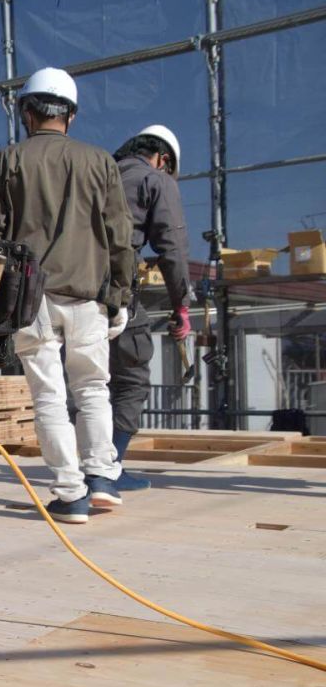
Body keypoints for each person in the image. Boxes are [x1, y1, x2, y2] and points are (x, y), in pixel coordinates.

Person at [0, 67, 133, 525]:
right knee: (93, 388)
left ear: (27, 111)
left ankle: (70, 493)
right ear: (71, 116)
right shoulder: (101, 162)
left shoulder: (6, 161)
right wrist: (120, 295)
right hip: (90, 297)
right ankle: (102, 478)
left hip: (31, 299)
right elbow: (120, 236)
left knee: (47, 395)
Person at [110, 125, 192, 491]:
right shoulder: (154, 180)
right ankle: (107, 468)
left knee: (84, 381)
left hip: (63, 290)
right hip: (114, 293)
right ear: (163, 159)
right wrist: (182, 308)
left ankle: (81, 469)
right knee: (131, 379)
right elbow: (172, 249)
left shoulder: (96, 174)